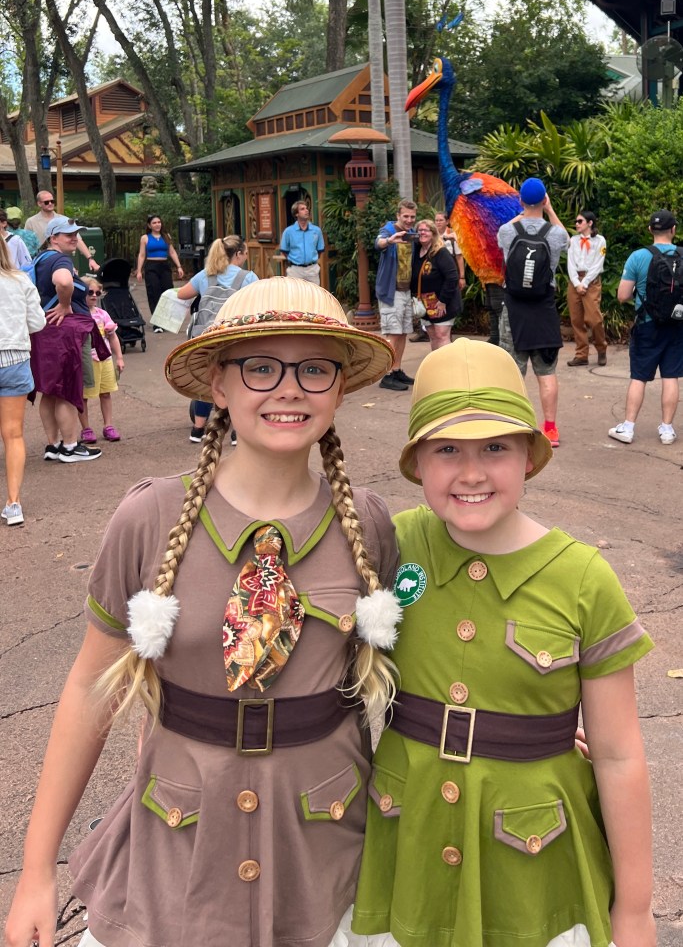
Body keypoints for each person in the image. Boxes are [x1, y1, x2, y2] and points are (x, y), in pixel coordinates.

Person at [4, 276, 404, 947]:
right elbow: (90, 690)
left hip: (325, 851)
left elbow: (412, 676)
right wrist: (36, 871)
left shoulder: (367, 524)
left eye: (314, 369)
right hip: (178, 846)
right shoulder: (150, 517)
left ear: (339, 389)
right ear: (218, 385)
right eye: (259, 368)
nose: (288, 389)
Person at [352, 337, 655, 947]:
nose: (471, 473)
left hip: (533, 864)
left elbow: (619, 756)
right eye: (446, 449)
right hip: (406, 844)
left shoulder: (583, 579)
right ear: (417, 463)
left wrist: (636, 910)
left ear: (528, 458)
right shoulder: (389, 545)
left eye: (495, 447)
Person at [497, 177, 569, 449]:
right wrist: (549, 211)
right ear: (545, 199)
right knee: (546, 372)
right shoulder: (555, 234)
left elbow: (503, 235)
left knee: (513, 371)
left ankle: (513, 426)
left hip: (514, 311)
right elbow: (567, 241)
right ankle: (550, 429)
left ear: (520, 200)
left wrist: (523, 212)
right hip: (543, 310)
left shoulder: (507, 231)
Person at [30, 218, 106, 463]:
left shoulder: (40, 259)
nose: (74, 238)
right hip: (63, 334)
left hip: (44, 330)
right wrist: (64, 304)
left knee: (49, 391)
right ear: (53, 238)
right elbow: (63, 282)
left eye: (76, 234)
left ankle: (53, 445)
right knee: (66, 390)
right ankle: (70, 447)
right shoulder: (61, 260)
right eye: (68, 235)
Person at [609, 209, 683, 446]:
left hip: (647, 324)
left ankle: (628, 427)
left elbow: (622, 295)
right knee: (671, 376)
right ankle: (667, 430)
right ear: (673, 230)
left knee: (639, 377)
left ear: (650, 229)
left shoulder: (638, 257)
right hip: (676, 325)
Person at [176, 235, 258, 443]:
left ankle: (197, 429)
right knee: (238, 378)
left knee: (208, 379)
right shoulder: (247, 277)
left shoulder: (206, 275)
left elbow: (182, 294)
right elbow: (259, 302)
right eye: (245, 253)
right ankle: (237, 432)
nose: (245, 257)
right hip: (235, 335)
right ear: (238, 254)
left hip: (208, 335)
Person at [0, 236, 46, 526]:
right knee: (13, 434)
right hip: (14, 358)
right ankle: (13, 503)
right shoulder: (20, 281)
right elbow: (37, 322)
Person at [375, 199, 418, 390]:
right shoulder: (388, 230)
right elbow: (378, 243)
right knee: (393, 333)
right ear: (398, 215)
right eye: (405, 216)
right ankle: (386, 375)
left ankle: (396, 369)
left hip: (406, 290)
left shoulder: (412, 233)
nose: (409, 220)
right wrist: (389, 241)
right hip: (391, 292)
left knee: (402, 333)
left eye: (412, 217)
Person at [78, 277, 125, 444]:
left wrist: (119, 357)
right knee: (83, 396)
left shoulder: (102, 314)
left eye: (97, 293)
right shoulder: (77, 314)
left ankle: (108, 425)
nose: (94, 296)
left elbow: (112, 337)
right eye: (90, 292)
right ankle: (86, 428)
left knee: (106, 393)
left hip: (104, 359)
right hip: (86, 361)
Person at [411, 218, 461, 351]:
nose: (422, 233)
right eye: (419, 230)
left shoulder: (441, 252)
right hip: (425, 303)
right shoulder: (416, 252)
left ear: (433, 233)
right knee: (433, 336)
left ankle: (446, 363)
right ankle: (436, 363)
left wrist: (443, 300)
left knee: (441, 335)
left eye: (426, 230)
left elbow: (452, 278)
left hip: (442, 302)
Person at [566, 211, 608, 367]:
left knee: (594, 319)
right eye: (576, 221)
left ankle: (601, 348)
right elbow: (570, 263)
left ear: (590, 223)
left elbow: (598, 264)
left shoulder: (600, 241)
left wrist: (584, 283)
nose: (576, 224)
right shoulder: (573, 240)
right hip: (575, 281)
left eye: (580, 221)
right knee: (576, 319)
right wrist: (576, 283)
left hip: (591, 281)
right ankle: (581, 354)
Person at [136, 214, 184, 330]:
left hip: (164, 266)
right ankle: (157, 323)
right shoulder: (145, 238)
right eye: (154, 223)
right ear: (149, 225)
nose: (157, 224)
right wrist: (139, 271)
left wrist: (179, 266)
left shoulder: (166, 236)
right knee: (154, 292)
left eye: (159, 222)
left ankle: (166, 320)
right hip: (151, 267)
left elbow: (172, 252)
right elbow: (142, 255)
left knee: (168, 293)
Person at [24, 191, 98, 268]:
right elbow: (27, 246)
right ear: (39, 203)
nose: (50, 203)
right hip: (42, 262)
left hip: (62, 261)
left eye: (52, 201)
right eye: (46, 202)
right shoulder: (31, 222)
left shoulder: (64, 220)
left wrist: (90, 259)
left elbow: (78, 240)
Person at [279, 200, 325, 284]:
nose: (306, 210)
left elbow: (320, 250)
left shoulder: (316, 230)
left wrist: (311, 259)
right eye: (302, 209)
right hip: (295, 270)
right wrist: (295, 259)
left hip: (312, 270)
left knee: (313, 292)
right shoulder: (288, 231)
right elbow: (284, 251)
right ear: (296, 214)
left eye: (306, 208)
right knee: (294, 292)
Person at [434, 211, 466, 291]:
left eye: (441, 220)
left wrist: (462, 277)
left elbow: (459, 257)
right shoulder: (432, 235)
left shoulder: (454, 235)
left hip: (452, 273)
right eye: (436, 220)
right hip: (436, 273)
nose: (438, 222)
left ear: (447, 222)